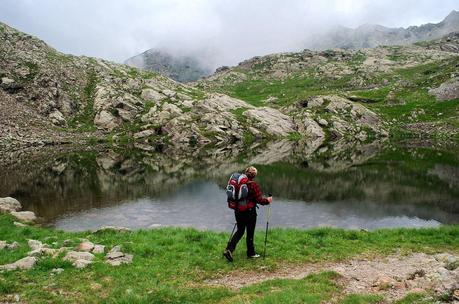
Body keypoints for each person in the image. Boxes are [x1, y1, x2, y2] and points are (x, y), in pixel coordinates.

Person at [223, 166, 272, 262]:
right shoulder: (253, 185)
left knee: (240, 231)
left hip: (238, 210)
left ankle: (229, 249)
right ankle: (251, 253)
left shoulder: (238, 182)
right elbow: (260, 200)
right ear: (254, 175)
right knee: (250, 232)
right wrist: (268, 200)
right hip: (249, 212)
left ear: (246, 173)